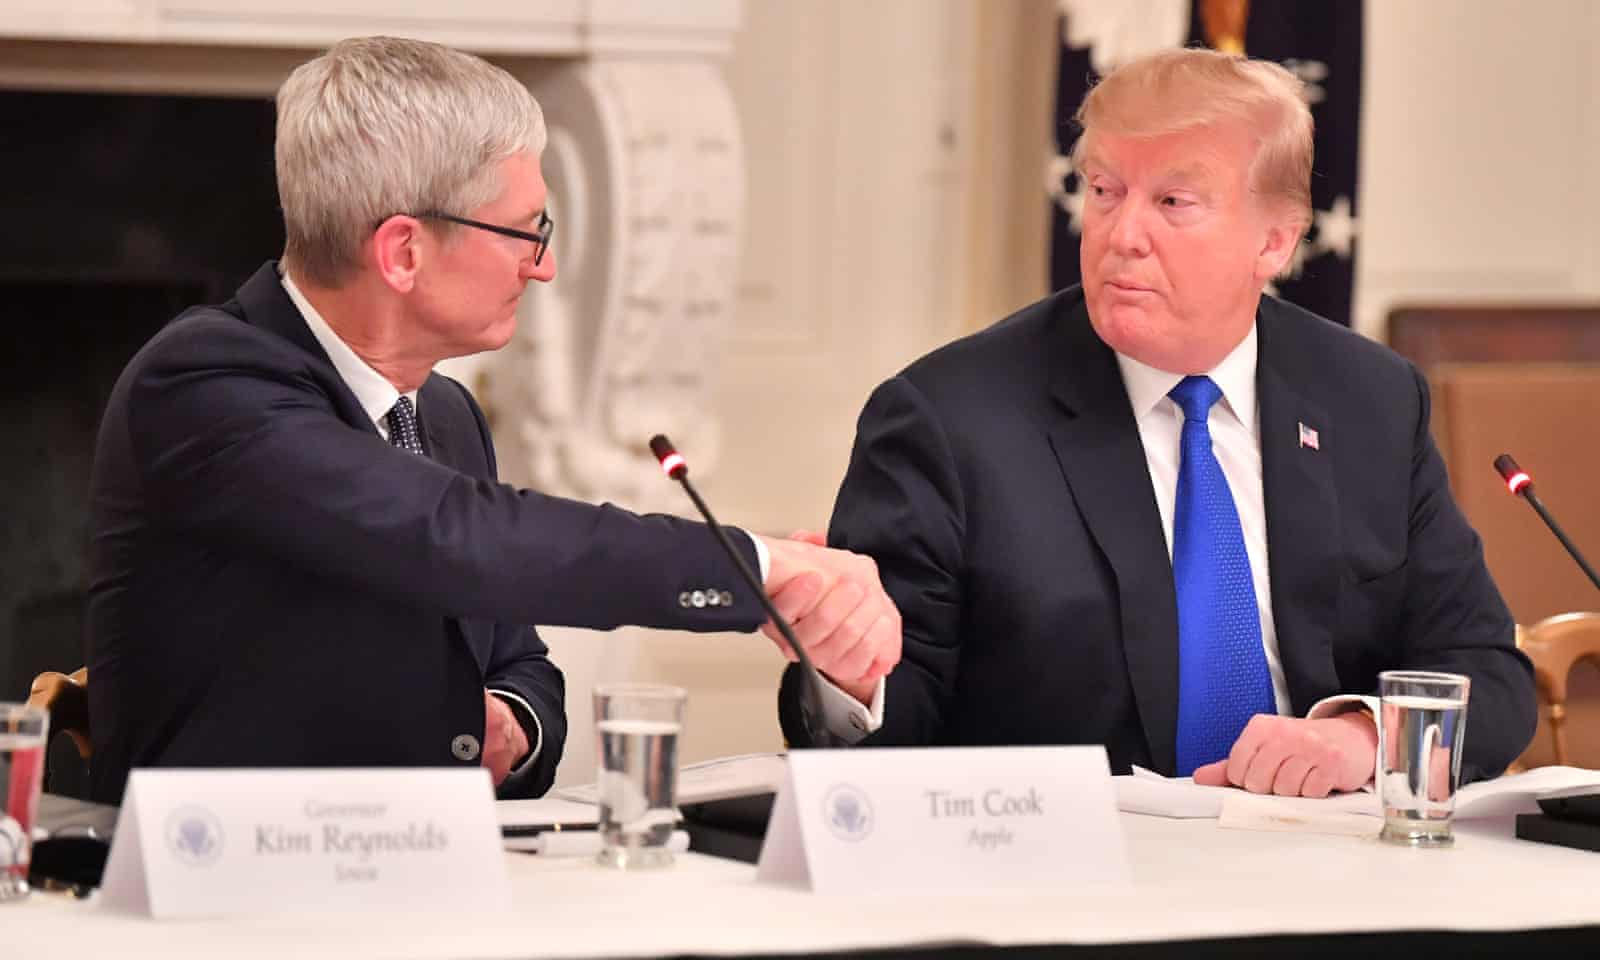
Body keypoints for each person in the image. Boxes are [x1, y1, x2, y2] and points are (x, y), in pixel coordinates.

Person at [85, 36, 899, 806]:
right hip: (209, 909)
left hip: (415, 884)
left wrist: (516, 722)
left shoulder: (444, 414)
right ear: (403, 251)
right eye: (525, 232)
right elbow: (454, 537)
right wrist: (756, 571)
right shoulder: (202, 382)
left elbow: (518, 656)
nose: (543, 266)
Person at [777, 47, 1534, 795]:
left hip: (1326, 859)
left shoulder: (1371, 399)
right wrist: (848, 674)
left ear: (1274, 240)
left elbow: (1487, 672)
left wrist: (1366, 738)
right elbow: (896, 736)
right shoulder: (947, 420)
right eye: (1104, 191)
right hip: (1072, 876)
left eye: (1173, 203)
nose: (1121, 234)